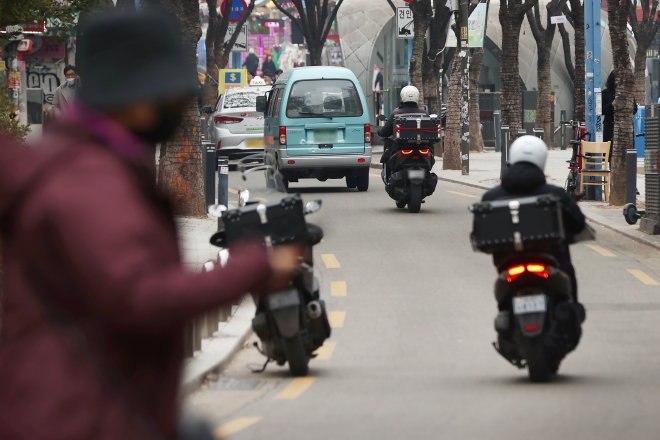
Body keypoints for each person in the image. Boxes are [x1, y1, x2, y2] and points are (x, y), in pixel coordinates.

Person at [0, 12, 302, 439]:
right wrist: (257, 266)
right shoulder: (90, 183)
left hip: (93, 402)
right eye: (169, 95)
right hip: (78, 416)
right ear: (133, 99)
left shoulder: (87, 162)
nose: (177, 108)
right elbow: (142, 294)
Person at [481, 136, 586, 303]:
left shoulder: (491, 197)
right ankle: (573, 309)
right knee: (566, 266)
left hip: (508, 264)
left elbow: (480, 234)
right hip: (550, 261)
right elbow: (578, 223)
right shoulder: (555, 194)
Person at [377, 86, 428, 180]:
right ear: (417, 97)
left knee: (387, 155)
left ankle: (387, 178)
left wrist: (379, 132)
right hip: (421, 147)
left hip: (400, 147)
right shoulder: (423, 113)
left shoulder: (396, 113)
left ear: (402, 97)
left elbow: (385, 132)